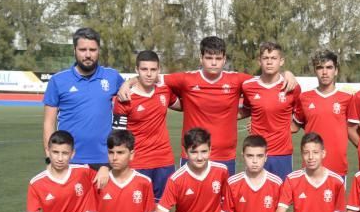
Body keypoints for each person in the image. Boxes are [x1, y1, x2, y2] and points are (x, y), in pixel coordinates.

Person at [117, 36, 297, 175]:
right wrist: (129, 82)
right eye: (209, 57)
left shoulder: (238, 80)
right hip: (193, 154)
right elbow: (151, 77)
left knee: (223, 208)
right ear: (201, 58)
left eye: (218, 58)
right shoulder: (186, 79)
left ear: (224, 59)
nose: (213, 62)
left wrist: (287, 74)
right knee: (189, 206)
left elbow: (267, 80)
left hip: (225, 156)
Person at [43, 27, 124, 187]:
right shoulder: (58, 81)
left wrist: (130, 83)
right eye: (83, 49)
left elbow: (133, 89)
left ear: (98, 50)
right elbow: (48, 123)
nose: (88, 54)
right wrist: (49, 157)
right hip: (69, 160)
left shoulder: (112, 77)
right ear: (74, 50)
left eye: (92, 50)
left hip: (104, 162)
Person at [112, 50, 177, 201]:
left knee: (161, 208)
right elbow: (117, 136)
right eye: (144, 69)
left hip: (164, 161)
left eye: (153, 69)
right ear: (136, 70)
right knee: (137, 208)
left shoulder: (165, 90)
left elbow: (184, 105)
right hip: (138, 162)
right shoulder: (124, 98)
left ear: (159, 70)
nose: (149, 74)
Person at [242, 42, 301, 180]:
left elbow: (300, 117)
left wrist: (287, 129)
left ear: (281, 61)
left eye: (274, 58)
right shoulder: (248, 86)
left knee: (281, 198)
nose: (269, 62)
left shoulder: (292, 87)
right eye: (265, 58)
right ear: (259, 61)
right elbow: (247, 109)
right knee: (255, 196)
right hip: (256, 151)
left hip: (282, 153)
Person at [292, 50, 352, 179]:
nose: (324, 72)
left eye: (329, 67)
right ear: (315, 70)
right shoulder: (304, 98)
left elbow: (353, 130)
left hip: (337, 167)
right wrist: (262, 125)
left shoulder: (347, 99)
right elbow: (294, 126)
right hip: (311, 165)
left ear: (336, 71)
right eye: (320, 68)